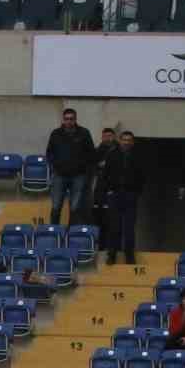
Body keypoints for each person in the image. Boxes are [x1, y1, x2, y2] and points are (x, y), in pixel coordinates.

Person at [45, 108, 96, 227]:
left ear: (75, 119)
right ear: (63, 120)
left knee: (75, 207)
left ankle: (71, 234)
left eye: (71, 119)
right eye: (66, 119)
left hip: (78, 176)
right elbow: (49, 152)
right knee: (56, 206)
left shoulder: (84, 133)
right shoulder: (56, 133)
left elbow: (91, 154)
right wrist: (55, 165)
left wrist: (83, 167)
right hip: (59, 175)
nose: (69, 121)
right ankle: (53, 231)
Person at [105, 130, 145, 265]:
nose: (126, 142)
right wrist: (109, 190)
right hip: (115, 194)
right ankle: (112, 254)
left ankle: (129, 255)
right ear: (120, 141)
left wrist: (137, 191)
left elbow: (142, 176)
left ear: (132, 142)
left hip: (130, 194)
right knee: (114, 226)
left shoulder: (138, 156)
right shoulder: (112, 155)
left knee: (129, 227)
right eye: (124, 139)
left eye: (129, 140)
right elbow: (106, 174)